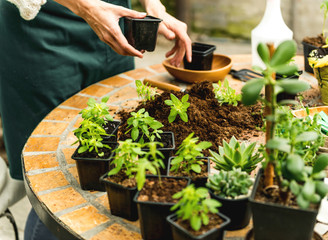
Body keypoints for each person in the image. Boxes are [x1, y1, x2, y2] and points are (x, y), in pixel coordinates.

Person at [0, 0, 192, 239]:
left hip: (115, 21)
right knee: (55, 179)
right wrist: (87, 7)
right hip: (44, 30)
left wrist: (153, 6)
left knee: (113, 168)